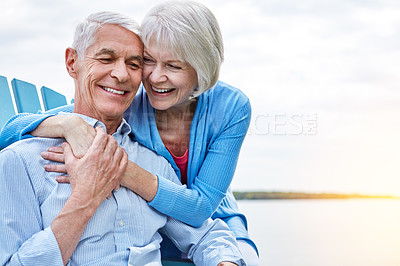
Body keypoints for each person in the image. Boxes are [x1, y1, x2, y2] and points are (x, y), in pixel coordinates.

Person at [0, 1, 259, 264]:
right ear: (72, 63)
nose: (122, 74)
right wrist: (84, 196)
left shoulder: (155, 163)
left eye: (134, 64)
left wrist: (117, 169)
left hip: (212, 207)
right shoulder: (22, 162)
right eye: (106, 59)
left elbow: (205, 230)